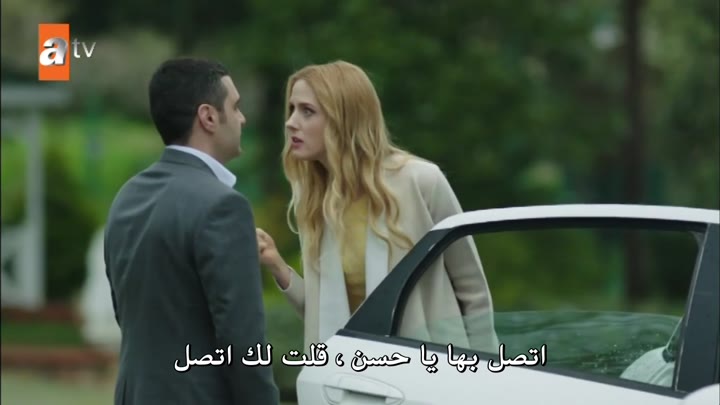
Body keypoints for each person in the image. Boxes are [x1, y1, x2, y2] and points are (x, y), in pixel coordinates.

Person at [256, 60, 499, 353]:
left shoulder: (420, 180)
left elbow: (473, 291)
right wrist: (277, 265)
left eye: (307, 111)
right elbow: (325, 317)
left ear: (344, 118)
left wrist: (486, 368)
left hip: (430, 368)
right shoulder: (316, 200)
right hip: (356, 371)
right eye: (292, 109)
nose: (291, 122)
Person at [104, 58, 279, 405]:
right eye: (236, 107)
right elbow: (243, 343)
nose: (243, 118)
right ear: (208, 117)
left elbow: (128, 314)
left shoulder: (127, 196)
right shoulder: (224, 206)